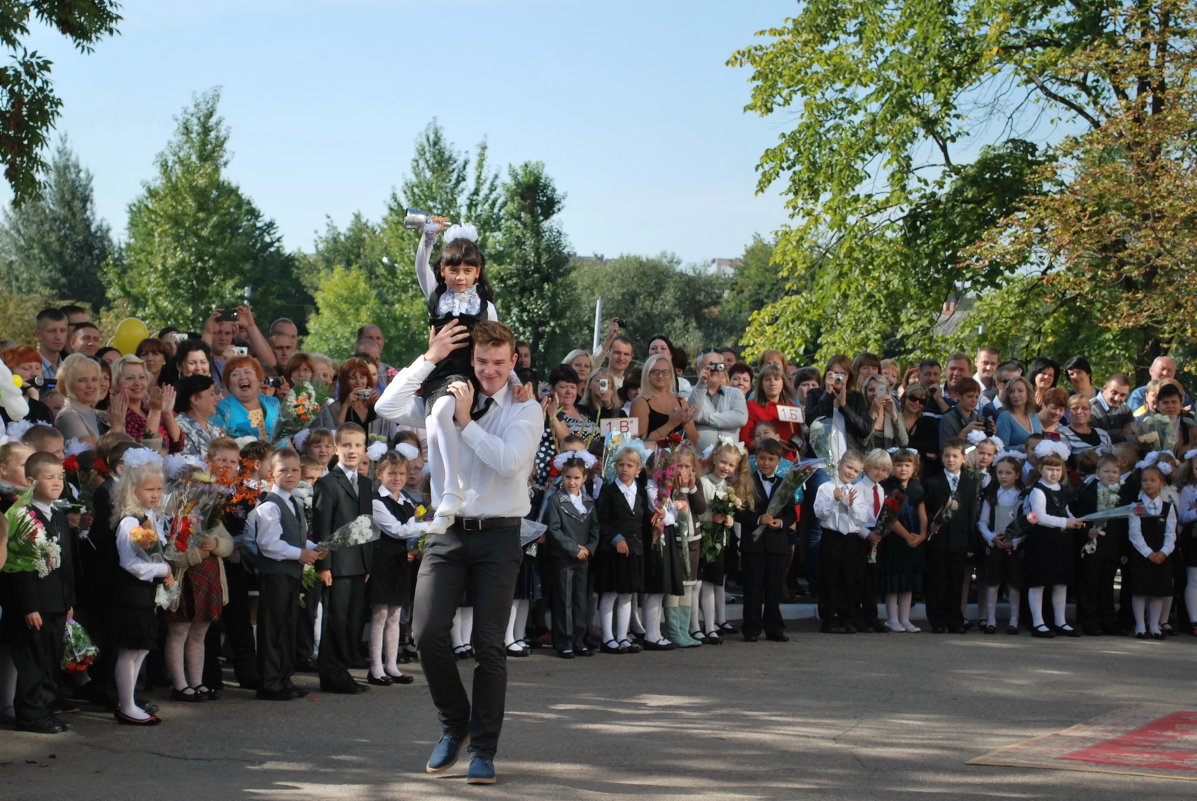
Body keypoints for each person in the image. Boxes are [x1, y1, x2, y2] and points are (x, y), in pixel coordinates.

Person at [374, 319, 541, 784]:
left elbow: (509, 464)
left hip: (499, 534)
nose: (489, 371)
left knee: (490, 646)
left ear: (514, 363)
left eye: (499, 363)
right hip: (447, 532)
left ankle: (483, 749)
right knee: (427, 632)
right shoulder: (446, 394)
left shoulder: (526, 408)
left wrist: (466, 423)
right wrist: (429, 358)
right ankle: (455, 723)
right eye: (482, 361)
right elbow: (387, 406)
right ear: (472, 359)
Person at [411, 220, 500, 535]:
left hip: (467, 378)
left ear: (478, 272)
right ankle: (443, 498)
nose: (460, 277)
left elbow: (499, 350)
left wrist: (512, 384)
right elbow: (420, 262)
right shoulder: (436, 295)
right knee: (434, 425)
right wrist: (429, 234)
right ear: (442, 270)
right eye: (453, 270)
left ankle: (452, 489)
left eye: (467, 271)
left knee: (442, 412)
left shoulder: (486, 308)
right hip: (437, 376)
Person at [3, 451, 74, 733]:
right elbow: (18, 565)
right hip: (35, 603)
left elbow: (67, 562)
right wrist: (28, 606)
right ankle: (30, 713)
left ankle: (45, 708)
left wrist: (70, 600)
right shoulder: (23, 515)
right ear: (31, 481)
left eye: (60, 477)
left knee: (50, 659)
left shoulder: (57, 513)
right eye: (49, 477)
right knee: (32, 659)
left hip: (57, 599)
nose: (57, 483)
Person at [249, 448, 327, 700]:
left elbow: (297, 538)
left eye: (295, 470)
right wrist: (300, 554)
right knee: (273, 628)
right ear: (271, 473)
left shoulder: (292, 502)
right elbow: (269, 544)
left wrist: (314, 548)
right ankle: (270, 682)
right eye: (283, 470)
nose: (290, 475)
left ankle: (283, 677)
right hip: (275, 574)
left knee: (286, 626)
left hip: (290, 574)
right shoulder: (270, 506)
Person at [110, 449, 175, 724]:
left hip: (145, 593)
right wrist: (163, 569)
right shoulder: (130, 521)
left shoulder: (150, 517)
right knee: (131, 650)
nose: (155, 494)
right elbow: (131, 563)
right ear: (132, 488)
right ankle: (126, 703)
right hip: (131, 592)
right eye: (148, 488)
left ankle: (131, 701)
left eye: (159, 488)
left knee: (141, 650)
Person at [312, 422, 376, 694]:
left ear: (365, 450)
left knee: (350, 619)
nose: (352, 451)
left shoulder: (365, 482)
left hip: (358, 563)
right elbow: (322, 526)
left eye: (357, 446)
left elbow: (367, 524)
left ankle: (343, 669)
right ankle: (331, 673)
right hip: (337, 565)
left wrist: (367, 562)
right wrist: (323, 565)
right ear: (336, 449)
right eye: (346, 445)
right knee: (334, 620)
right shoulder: (327, 483)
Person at [163, 470, 233, 704]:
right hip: (185, 582)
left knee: (199, 634)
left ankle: (196, 681)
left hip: (208, 581)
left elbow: (228, 544)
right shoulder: (173, 515)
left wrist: (216, 544)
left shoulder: (210, 515)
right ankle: (179, 684)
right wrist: (195, 554)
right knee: (179, 632)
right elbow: (168, 555)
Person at [367, 450, 424, 686]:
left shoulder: (407, 501)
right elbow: (398, 530)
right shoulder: (377, 502)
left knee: (395, 615)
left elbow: (419, 520)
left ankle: (392, 665)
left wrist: (421, 525)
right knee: (380, 614)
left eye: (402, 473)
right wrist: (423, 523)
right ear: (379, 474)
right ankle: (375, 668)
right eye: (391, 473)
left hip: (401, 561)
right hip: (382, 561)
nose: (397, 478)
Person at [1022, 440, 1086, 638]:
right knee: (1039, 582)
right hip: (1042, 541)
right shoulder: (1038, 491)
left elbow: (1063, 509)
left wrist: (1074, 520)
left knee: (1060, 583)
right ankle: (1038, 622)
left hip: (1060, 542)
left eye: (1058, 469)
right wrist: (1066, 523)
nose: (1054, 474)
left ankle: (1060, 621)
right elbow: (1039, 517)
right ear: (1040, 469)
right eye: (1050, 469)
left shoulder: (1060, 489)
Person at [735, 438, 795, 642]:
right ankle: (751, 628)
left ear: (779, 461)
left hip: (777, 544)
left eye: (771, 459)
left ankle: (774, 628)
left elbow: (791, 514)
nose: (766, 463)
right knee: (753, 587)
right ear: (755, 458)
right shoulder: (747, 482)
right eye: (762, 458)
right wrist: (758, 519)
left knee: (774, 588)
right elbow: (738, 512)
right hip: (754, 544)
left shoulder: (784, 484)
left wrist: (781, 522)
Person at [593, 445, 650, 654]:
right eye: (620, 464)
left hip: (634, 550)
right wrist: (616, 538)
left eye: (629, 465)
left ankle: (622, 635)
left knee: (627, 594)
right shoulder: (608, 491)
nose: (624, 468)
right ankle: (607, 638)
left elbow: (643, 520)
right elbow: (601, 520)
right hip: (612, 551)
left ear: (638, 469)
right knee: (610, 593)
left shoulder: (641, 492)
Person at [695, 439, 752, 642]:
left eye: (731, 465)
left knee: (717, 582)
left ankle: (715, 622)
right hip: (704, 539)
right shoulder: (703, 482)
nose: (725, 467)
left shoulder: (728, 487)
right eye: (723, 462)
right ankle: (702, 625)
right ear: (714, 459)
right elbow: (698, 512)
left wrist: (729, 520)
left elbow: (731, 513)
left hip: (720, 540)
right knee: (704, 584)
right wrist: (712, 518)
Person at [544, 454, 600, 658]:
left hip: (582, 558)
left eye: (576, 478)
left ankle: (579, 639)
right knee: (564, 601)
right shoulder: (556, 500)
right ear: (563, 476)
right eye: (568, 477)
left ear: (584, 478)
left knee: (579, 600)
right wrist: (573, 548)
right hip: (564, 558)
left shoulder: (589, 501)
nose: (572, 482)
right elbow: (554, 529)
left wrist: (589, 548)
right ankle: (564, 641)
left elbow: (595, 528)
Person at [922, 438, 979, 634]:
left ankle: (955, 620)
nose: (951, 460)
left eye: (955, 456)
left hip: (959, 540)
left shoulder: (970, 484)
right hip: (937, 539)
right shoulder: (932, 482)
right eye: (947, 456)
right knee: (937, 581)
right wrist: (931, 523)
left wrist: (971, 543)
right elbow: (926, 510)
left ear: (964, 458)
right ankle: (937, 620)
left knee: (956, 582)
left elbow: (972, 514)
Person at [813, 449, 869, 633]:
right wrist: (835, 501)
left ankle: (847, 617)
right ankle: (829, 618)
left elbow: (862, 518)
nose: (850, 472)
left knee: (848, 578)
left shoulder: (857, 491)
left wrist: (851, 505)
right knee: (830, 578)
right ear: (839, 464)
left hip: (851, 539)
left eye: (856, 471)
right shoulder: (826, 488)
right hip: (832, 537)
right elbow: (819, 513)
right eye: (848, 467)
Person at [1072, 454, 1126, 636]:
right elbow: (1080, 518)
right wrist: (1086, 532)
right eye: (1107, 471)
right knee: (1090, 583)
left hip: (1112, 546)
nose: (1111, 475)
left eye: (1115, 472)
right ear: (1097, 473)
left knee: (1107, 583)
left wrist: (1123, 548)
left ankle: (1107, 620)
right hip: (1093, 546)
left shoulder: (1121, 492)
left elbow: (1124, 522)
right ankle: (1089, 620)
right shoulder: (1089, 492)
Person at [877, 447, 926, 633]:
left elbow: (922, 513)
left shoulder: (917, 487)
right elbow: (890, 517)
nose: (903, 469)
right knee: (894, 580)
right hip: (895, 539)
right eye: (899, 465)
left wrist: (921, 535)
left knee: (908, 581)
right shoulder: (888, 487)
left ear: (914, 467)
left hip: (914, 539)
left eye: (907, 465)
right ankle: (892, 619)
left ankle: (905, 619)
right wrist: (906, 536)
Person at [1127, 464, 1177, 639]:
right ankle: (1140, 624)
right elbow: (1134, 533)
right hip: (1142, 555)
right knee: (1140, 591)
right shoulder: (1137, 506)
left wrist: (1164, 552)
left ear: (1161, 483)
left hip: (1162, 555)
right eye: (1145, 480)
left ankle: (1154, 624)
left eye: (1152, 480)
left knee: (1158, 592)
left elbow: (1171, 532)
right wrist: (1148, 553)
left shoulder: (1168, 507)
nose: (1148, 484)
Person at [977, 456, 1025, 635]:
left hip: (1014, 546)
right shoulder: (991, 495)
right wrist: (992, 538)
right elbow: (982, 522)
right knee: (992, 583)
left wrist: (1016, 541)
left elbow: (1027, 523)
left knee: (1014, 583)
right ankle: (991, 619)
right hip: (995, 545)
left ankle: (1014, 620)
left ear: (1017, 475)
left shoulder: (1023, 496)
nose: (1003, 476)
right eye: (1000, 472)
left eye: (1008, 473)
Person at [112, 355, 184, 452]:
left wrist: (167, 413)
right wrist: (155, 411)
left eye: (142, 377)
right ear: (116, 383)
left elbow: (177, 446)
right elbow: (145, 450)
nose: (137, 383)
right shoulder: (119, 415)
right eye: (130, 378)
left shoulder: (147, 410)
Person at [688, 350, 749, 454]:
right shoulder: (687, 392)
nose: (714, 369)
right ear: (699, 370)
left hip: (729, 463)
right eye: (709, 366)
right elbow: (692, 414)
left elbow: (740, 418)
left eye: (718, 366)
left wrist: (702, 418)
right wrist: (701, 384)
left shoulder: (736, 393)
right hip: (697, 461)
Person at [632, 354, 697, 447]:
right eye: (655, 371)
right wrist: (671, 424)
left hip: (677, 458)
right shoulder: (640, 403)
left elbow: (694, 441)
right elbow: (639, 444)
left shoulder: (681, 401)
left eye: (665, 372)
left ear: (671, 375)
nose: (660, 375)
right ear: (647, 374)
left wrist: (685, 424)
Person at [214, 356, 280, 442]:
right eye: (235, 374)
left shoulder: (273, 403)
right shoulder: (222, 410)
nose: (242, 377)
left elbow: (285, 442)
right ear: (229, 386)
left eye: (247, 372)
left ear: (259, 380)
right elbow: (218, 446)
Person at [54, 353, 112, 444]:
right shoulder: (68, 415)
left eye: (94, 379)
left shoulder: (98, 413)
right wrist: (116, 427)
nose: (90, 386)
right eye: (82, 380)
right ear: (68, 384)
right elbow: (91, 454)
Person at [742, 364, 803, 450]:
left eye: (776, 379)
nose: (772, 383)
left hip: (789, 458)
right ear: (761, 385)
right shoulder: (751, 406)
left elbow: (799, 440)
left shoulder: (792, 408)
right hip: (762, 457)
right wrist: (772, 442)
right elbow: (745, 441)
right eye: (767, 380)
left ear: (783, 383)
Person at [174, 374, 225, 459]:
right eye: (211, 394)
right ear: (195, 399)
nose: (217, 399)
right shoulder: (179, 427)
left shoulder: (214, 428)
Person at [996, 376, 1041, 452]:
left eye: (1020, 390)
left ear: (1028, 392)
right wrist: (1022, 448)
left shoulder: (1034, 416)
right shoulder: (1005, 417)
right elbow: (1000, 449)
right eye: (1011, 391)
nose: (1015, 395)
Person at [34, 307, 69, 380]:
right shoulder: (27, 371)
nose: (58, 337)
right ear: (38, 334)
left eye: (62, 331)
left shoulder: (72, 370)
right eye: (51, 331)